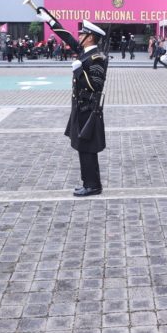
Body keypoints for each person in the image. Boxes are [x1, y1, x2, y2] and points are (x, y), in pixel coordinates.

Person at [37, 10, 108, 197]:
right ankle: (89, 183)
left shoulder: (97, 58)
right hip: (81, 108)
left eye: (83, 34)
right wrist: (51, 22)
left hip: (88, 109)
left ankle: (93, 185)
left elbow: (95, 85)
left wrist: (79, 72)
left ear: (91, 37)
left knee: (88, 149)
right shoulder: (85, 53)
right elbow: (68, 38)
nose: (80, 36)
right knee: (82, 148)